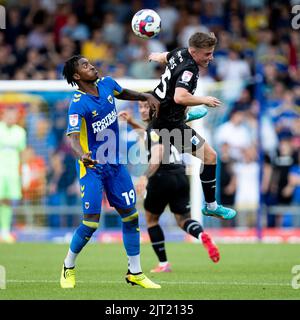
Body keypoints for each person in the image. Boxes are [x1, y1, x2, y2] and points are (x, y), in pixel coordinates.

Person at [60, 55, 160, 289]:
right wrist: (81, 155)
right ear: (77, 76)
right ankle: (68, 266)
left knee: (131, 216)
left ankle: (135, 272)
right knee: (91, 223)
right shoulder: (78, 103)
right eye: (85, 65)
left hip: (115, 164)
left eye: (90, 63)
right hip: (91, 167)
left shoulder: (106, 84)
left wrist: (145, 95)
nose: (91, 65)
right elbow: (74, 139)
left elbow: (123, 92)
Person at [119, 101, 220, 273]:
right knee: (183, 220)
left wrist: (145, 176)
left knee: (151, 221)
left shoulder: (154, 128)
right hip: (180, 175)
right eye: (140, 107)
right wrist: (132, 122)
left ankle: (163, 263)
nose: (142, 110)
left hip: (160, 177)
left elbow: (157, 153)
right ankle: (202, 235)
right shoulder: (165, 126)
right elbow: (147, 136)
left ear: (154, 109)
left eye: (145, 107)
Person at [148, 32, 237, 220]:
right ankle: (211, 206)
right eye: (207, 54)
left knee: (182, 103)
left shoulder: (180, 52)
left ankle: (186, 114)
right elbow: (180, 97)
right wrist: (204, 100)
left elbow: (166, 56)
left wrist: (155, 56)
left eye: (212, 53)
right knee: (211, 156)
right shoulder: (189, 68)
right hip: (169, 126)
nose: (211, 57)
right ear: (194, 52)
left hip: (160, 110)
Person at [0, 107, 26, 243]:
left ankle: (4, 231)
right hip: (0, 171)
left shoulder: (20, 132)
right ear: (3, 115)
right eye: (8, 114)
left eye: (13, 115)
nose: (11, 117)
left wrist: (23, 171)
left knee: (7, 201)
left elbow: (22, 154)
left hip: (12, 172)